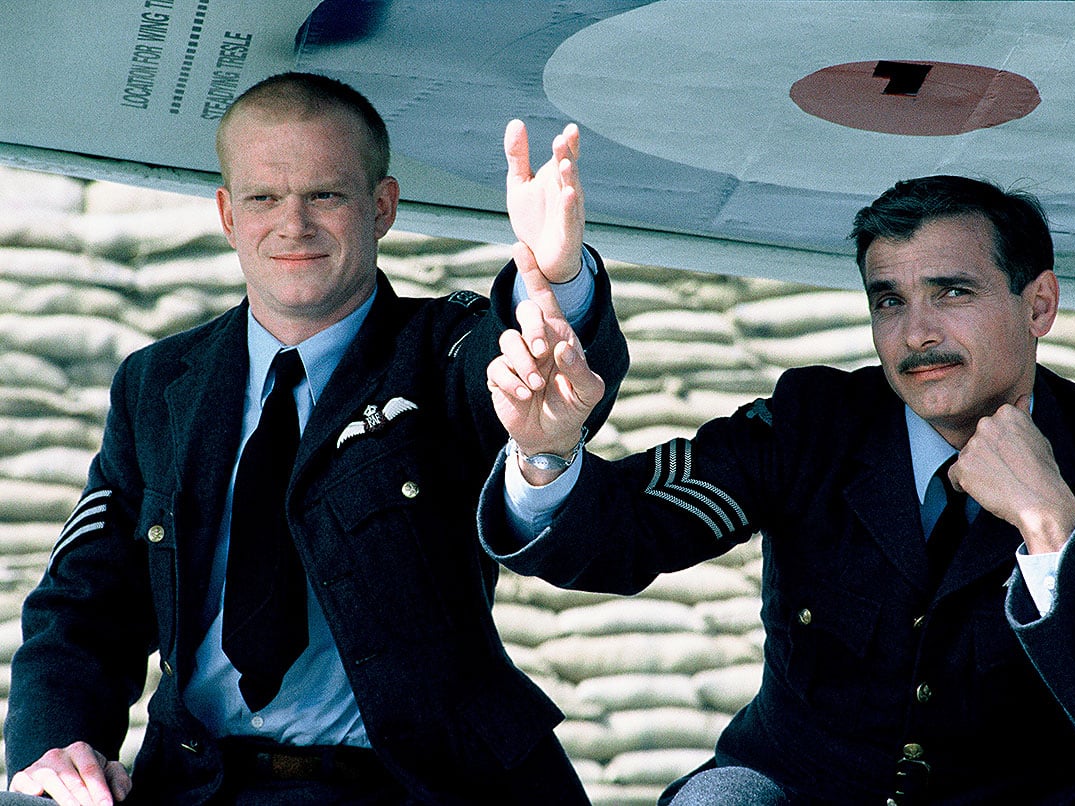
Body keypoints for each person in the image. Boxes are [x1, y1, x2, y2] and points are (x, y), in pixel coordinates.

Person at [3, 71, 628, 805]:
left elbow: (522, 364)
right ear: (227, 214)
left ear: (382, 207)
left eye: (325, 195)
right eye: (264, 198)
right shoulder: (158, 385)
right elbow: (85, 605)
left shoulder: (440, 350)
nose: (292, 224)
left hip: (417, 790)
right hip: (198, 789)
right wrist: (58, 748)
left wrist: (554, 279)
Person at [479, 175, 1075, 804]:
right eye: (889, 301)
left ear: (1038, 305)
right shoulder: (813, 426)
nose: (916, 333)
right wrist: (547, 449)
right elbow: (629, 530)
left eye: (952, 292)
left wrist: (1051, 524)